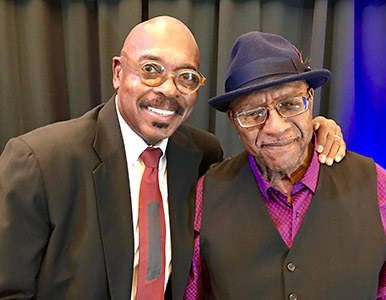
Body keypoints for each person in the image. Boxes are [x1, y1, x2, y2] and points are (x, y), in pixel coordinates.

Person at [0, 17, 345, 300]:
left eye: (186, 77)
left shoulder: (202, 155)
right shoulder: (39, 161)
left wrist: (312, 130)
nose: (168, 89)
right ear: (119, 73)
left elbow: (268, 150)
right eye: (151, 69)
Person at [184, 32, 386, 300]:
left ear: (310, 101)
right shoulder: (208, 193)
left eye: (290, 104)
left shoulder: (374, 182)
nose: (276, 127)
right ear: (233, 121)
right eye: (253, 113)